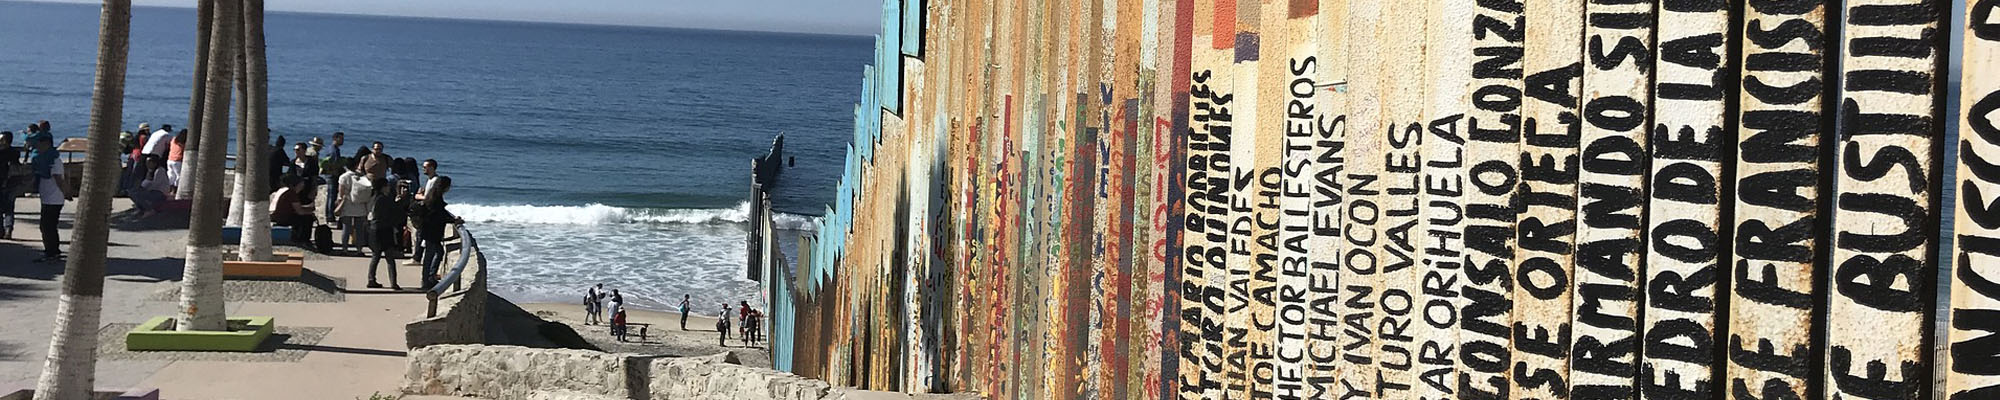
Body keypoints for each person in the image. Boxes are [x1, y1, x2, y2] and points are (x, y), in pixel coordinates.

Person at [28, 129, 71, 262]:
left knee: (48, 226)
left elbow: (59, 178)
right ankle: (52, 251)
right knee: (48, 225)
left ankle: (51, 252)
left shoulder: (54, 159)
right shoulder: (42, 159)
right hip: (47, 197)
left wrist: (66, 193)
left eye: (39, 144)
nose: (37, 147)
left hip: (54, 198)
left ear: (46, 143)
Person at [411, 175, 458, 288]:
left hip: (429, 230)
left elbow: (441, 212)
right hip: (432, 232)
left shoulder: (433, 195)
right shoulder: (436, 198)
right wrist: (453, 220)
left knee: (438, 252)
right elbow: (439, 215)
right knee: (430, 255)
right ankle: (426, 280)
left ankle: (430, 277)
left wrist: (452, 219)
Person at [365, 177, 406, 290]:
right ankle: (393, 283)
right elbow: (394, 212)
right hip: (384, 230)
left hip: (374, 229)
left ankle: (371, 279)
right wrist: (401, 200)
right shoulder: (384, 199)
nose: (389, 188)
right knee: (389, 257)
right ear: (383, 187)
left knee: (375, 256)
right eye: (387, 186)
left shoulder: (374, 198)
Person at [338, 159, 373, 251]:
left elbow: (341, 193)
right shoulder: (361, 176)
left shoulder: (343, 177)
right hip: (360, 205)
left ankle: (345, 249)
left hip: (347, 204)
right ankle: (359, 249)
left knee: (346, 229)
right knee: (359, 230)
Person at [271, 175, 315, 245]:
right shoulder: (292, 194)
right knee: (307, 218)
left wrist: (308, 209)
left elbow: (297, 208)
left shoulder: (289, 193)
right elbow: (300, 211)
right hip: (284, 218)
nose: (303, 186)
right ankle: (303, 240)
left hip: (282, 215)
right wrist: (310, 212)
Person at [0, 131, 19, 239]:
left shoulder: (2, 152)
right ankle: (8, 229)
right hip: (11, 182)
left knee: (4, 208)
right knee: (9, 208)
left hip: (3, 181)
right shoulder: (15, 152)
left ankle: (2, 230)